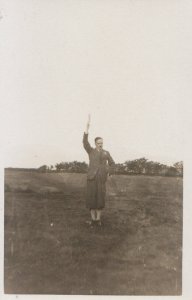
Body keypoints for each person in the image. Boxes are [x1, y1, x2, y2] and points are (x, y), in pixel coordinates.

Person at [83, 115, 115, 226]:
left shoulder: (106, 152)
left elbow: (112, 163)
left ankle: (98, 220)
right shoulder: (91, 151)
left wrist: (109, 172)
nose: (101, 144)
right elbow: (84, 142)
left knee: (100, 199)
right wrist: (86, 129)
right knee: (92, 199)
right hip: (91, 178)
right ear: (95, 143)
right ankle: (93, 220)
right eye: (99, 143)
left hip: (101, 179)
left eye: (102, 143)